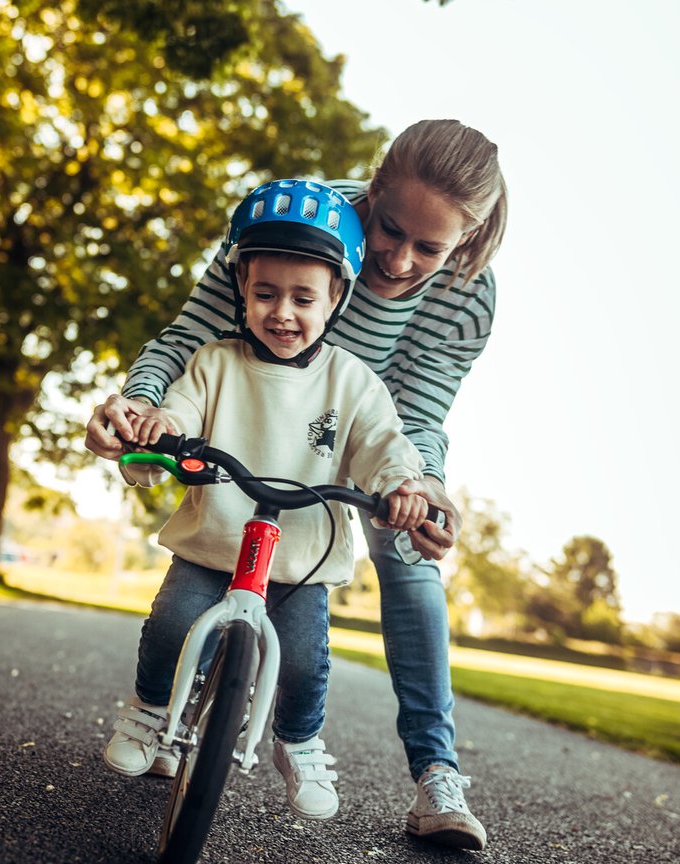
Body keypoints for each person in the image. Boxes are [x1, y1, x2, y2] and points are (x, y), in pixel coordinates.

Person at [87, 119, 507, 850]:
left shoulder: (468, 297)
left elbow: (416, 415)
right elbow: (194, 339)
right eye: (388, 228)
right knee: (191, 585)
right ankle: (166, 711)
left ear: (463, 244)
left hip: (358, 429)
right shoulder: (292, 223)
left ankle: (436, 774)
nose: (399, 260)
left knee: (410, 563)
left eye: (429, 248)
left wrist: (423, 489)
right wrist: (140, 403)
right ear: (370, 194)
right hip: (255, 412)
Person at [100, 179, 433, 823]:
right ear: (242, 293)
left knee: (305, 662)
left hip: (300, 559)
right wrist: (159, 434)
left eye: (304, 297)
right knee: (172, 622)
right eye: (265, 294)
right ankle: (148, 710)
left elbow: (382, 444)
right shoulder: (214, 363)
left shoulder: (352, 383)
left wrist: (402, 486)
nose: (284, 312)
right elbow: (180, 411)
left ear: (336, 298)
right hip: (213, 544)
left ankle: (300, 742)